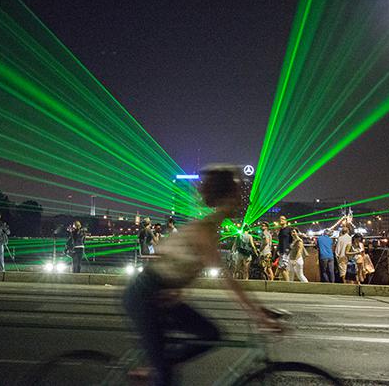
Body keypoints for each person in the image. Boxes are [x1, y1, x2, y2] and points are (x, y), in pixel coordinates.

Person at [123, 165, 279, 386]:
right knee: (167, 373)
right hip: (144, 296)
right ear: (226, 198)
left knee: (209, 335)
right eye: (238, 196)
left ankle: (157, 366)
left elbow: (168, 256)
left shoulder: (209, 227)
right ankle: (157, 368)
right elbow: (227, 280)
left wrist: (177, 286)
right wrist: (257, 313)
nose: (243, 201)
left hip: (159, 292)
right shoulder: (204, 230)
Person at [275, 215, 292, 281]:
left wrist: (289, 248)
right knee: (283, 268)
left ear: (286, 221)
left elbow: (292, 239)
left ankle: (288, 284)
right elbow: (280, 241)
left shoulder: (289, 229)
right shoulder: (280, 230)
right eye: (280, 219)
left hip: (286, 251)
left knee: (282, 268)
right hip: (281, 251)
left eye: (282, 219)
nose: (281, 220)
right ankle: (287, 283)